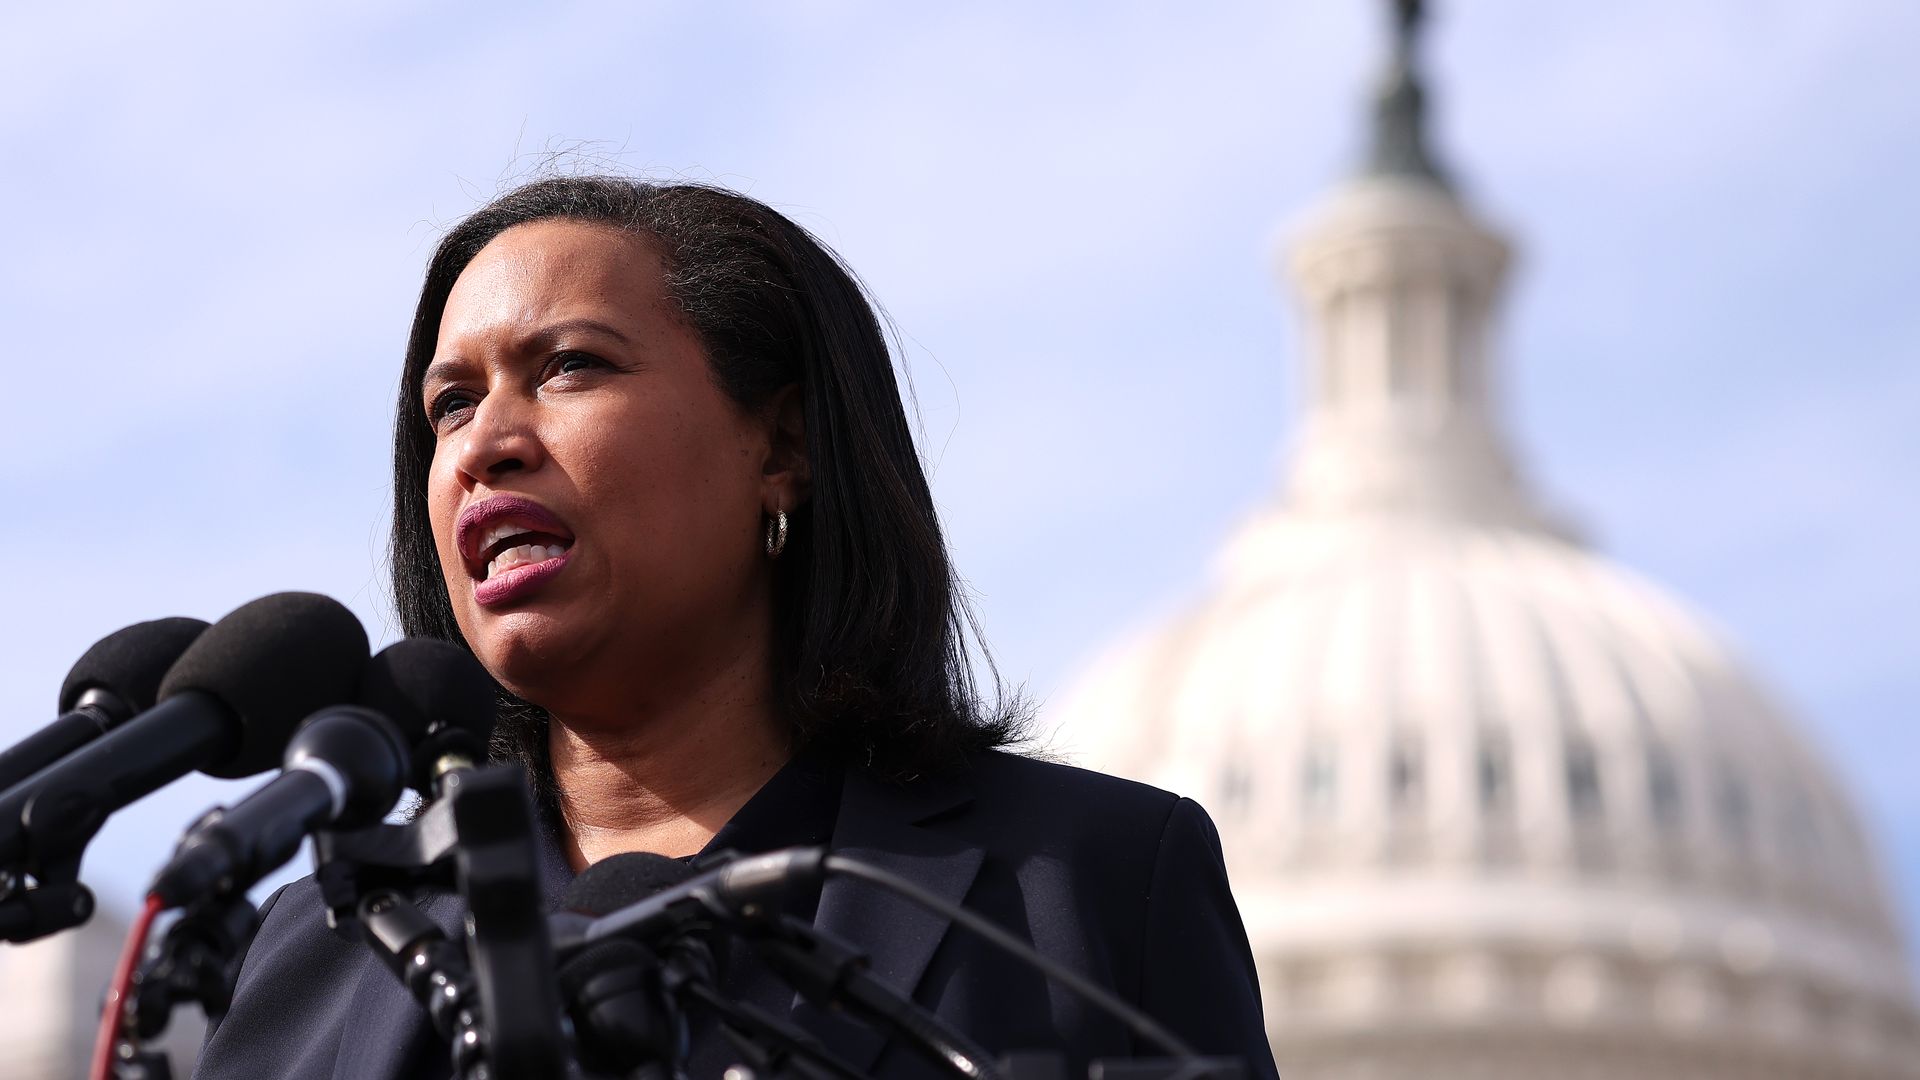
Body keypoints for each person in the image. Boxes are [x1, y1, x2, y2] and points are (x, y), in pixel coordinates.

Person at [194, 176, 1277, 1080]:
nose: (487, 444)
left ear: (783, 448)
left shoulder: (1090, 882)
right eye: (452, 404)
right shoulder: (330, 946)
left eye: (570, 365)